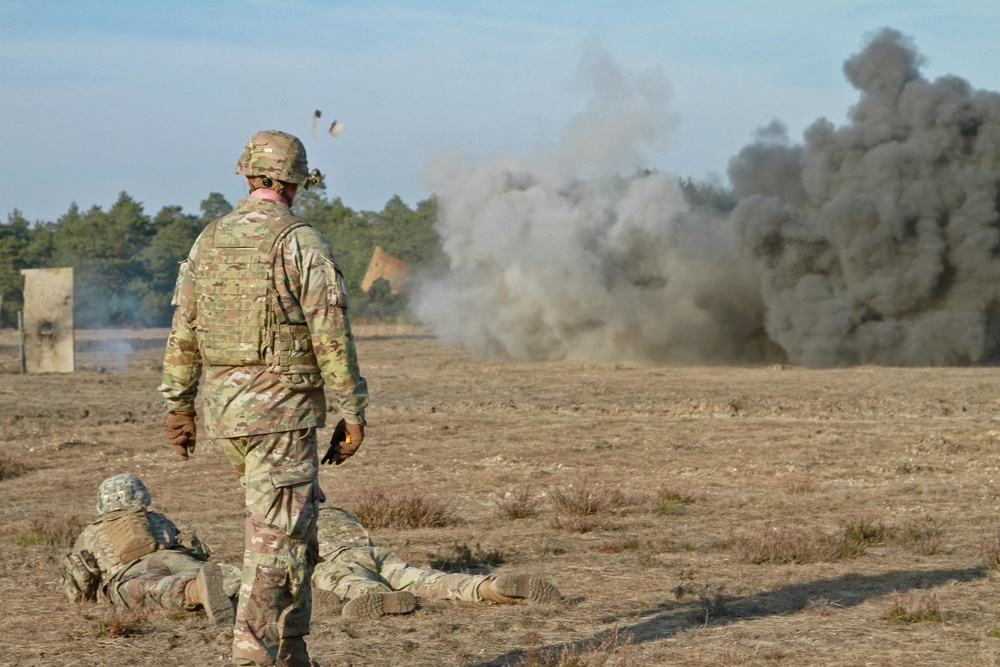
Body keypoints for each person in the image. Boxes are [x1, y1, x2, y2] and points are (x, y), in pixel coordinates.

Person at [159, 130, 369, 667]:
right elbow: (330, 332)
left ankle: (292, 653)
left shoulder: (208, 240)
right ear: (295, 183)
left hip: (227, 411)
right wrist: (352, 410)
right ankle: (254, 656)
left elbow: (184, 326)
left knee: (293, 532)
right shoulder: (300, 241)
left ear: (249, 176)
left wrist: (180, 405)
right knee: (275, 545)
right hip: (280, 413)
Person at [311, 504, 562, 620]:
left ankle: (376, 595)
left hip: (335, 562)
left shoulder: (285, 520)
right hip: (377, 554)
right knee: (429, 580)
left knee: (349, 581)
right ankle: (488, 587)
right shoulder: (336, 512)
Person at [60, 473, 237, 626]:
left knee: (151, 588)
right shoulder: (158, 519)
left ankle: (194, 591)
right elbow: (187, 546)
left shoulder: (90, 532)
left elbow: (80, 583)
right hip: (177, 558)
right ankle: (247, 584)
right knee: (216, 574)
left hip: (130, 571)